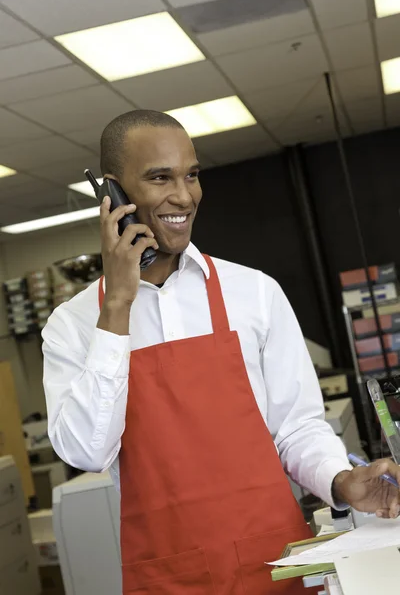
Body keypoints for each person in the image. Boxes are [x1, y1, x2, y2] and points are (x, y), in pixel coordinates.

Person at [43, 110, 400, 595]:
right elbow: (87, 452)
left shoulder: (254, 292)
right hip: (166, 576)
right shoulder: (74, 325)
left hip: (276, 563)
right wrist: (118, 308)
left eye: (191, 175)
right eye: (159, 178)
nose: (184, 196)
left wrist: (341, 480)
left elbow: (296, 426)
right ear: (113, 193)